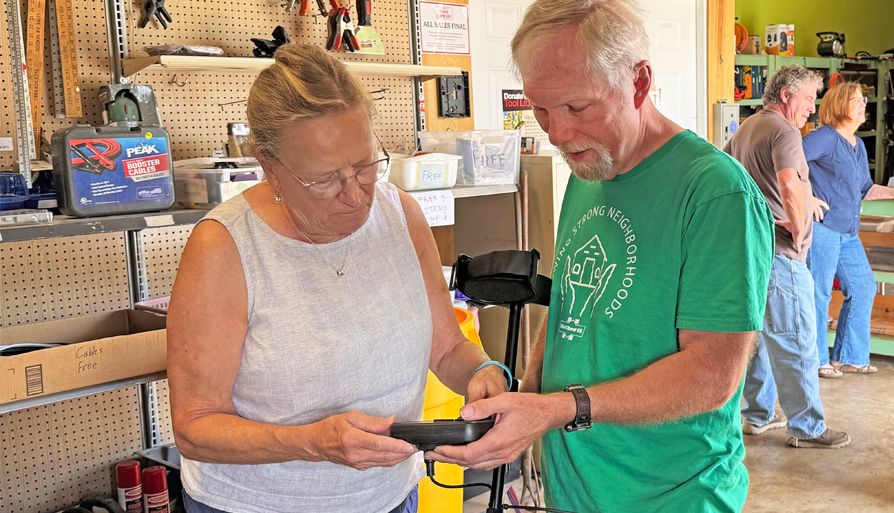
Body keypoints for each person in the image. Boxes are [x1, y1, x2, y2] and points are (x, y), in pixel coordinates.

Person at [424, 0, 774, 511]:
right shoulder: (589, 173)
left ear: (639, 83)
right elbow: (571, 310)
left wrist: (560, 409)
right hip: (576, 486)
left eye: (577, 107)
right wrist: (526, 398)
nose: (557, 134)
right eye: (541, 109)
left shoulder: (716, 193)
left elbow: (711, 376)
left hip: (669, 494)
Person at [167, 44, 511, 513]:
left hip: (392, 497)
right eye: (325, 178)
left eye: (366, 164)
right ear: (270, 169)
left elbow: (446, 346)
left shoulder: (401, 215)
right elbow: (195, 427)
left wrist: (482, 371)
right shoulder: (225, 247)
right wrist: (311, 442)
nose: (355, 195)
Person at [724, 65, 849, 450]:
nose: (812, 107)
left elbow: (729, 179)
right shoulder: (785, 131)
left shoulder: (747, 128)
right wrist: (798, 229)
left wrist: (802, 203)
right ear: (786, 95)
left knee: (760, 337)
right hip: (781, 253)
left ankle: (758, 415)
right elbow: (788, 182)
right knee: (796, 338)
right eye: (809, 98)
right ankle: (808, 426)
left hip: (751, 251)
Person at [804, 83, 894, 379]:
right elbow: (786, 161)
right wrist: (804, 194)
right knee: (818, 295)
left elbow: (866, 189)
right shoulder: (824, 137)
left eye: (864, 100)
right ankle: (817, 360)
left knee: (863, 288)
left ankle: (848, 356)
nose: (864, 104)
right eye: (856, 100)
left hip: (848, 232)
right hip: (822, 229)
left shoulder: (857, 144)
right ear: (837, 105)